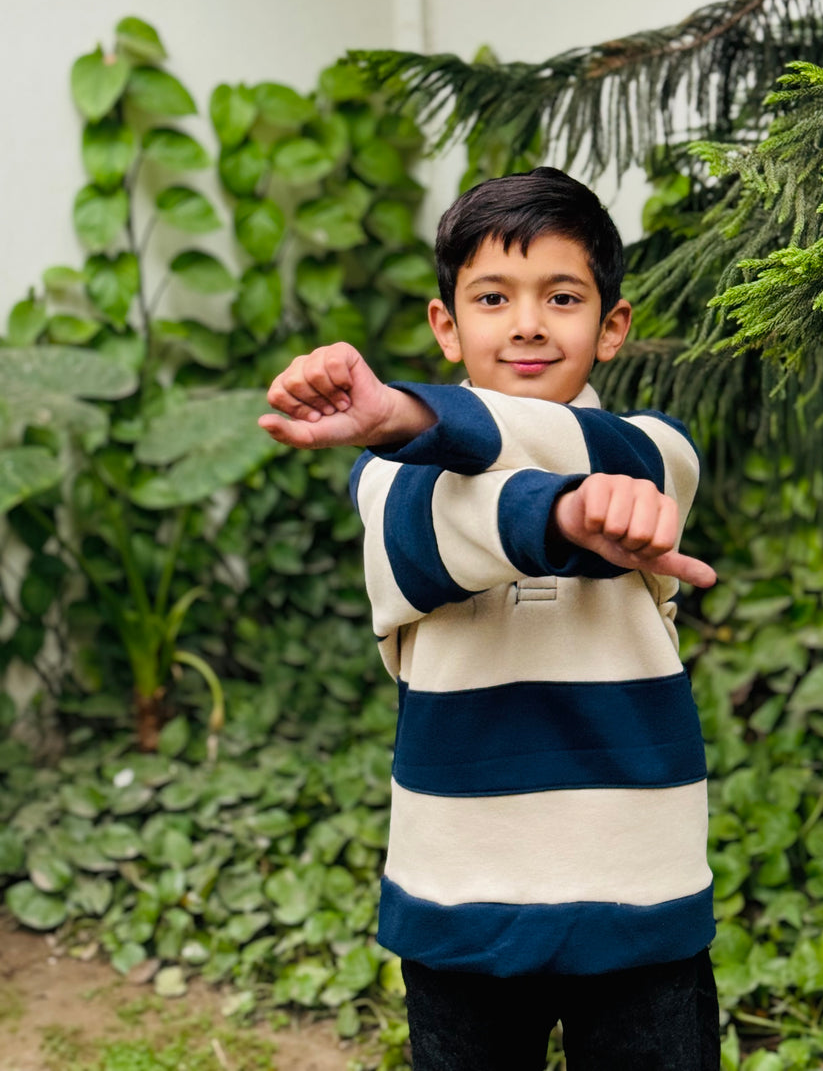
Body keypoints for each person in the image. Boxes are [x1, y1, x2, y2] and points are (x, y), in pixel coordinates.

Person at [259, 167, 720, 1070]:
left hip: (639, 889)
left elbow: (610, 461)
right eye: (492, 296)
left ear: (613, 325)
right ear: (446, 325)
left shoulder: (654, 452)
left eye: (562, 295)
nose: (527, 323)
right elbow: (441, 535)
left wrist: (401, 408)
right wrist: (555, 517)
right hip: (459, 894)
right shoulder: (388, 478)